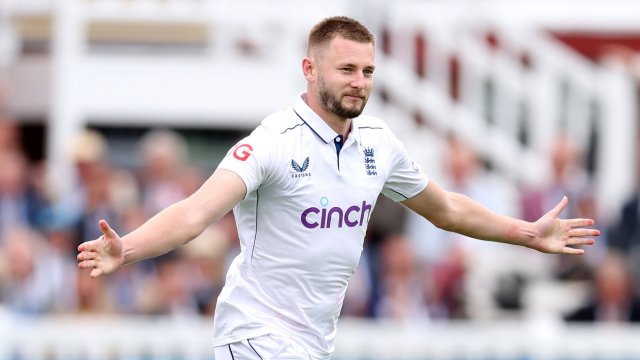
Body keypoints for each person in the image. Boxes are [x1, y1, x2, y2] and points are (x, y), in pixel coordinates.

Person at [77, 16, 600, 360]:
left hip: (315, 340)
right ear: (310, 69)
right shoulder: (272, 141)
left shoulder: (378, 140)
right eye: (347, 68)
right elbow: (194, 214)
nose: (360, 81)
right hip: (255, 332)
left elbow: (445, 210)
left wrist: (526, 233)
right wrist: (128, 251)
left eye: (369, 71)